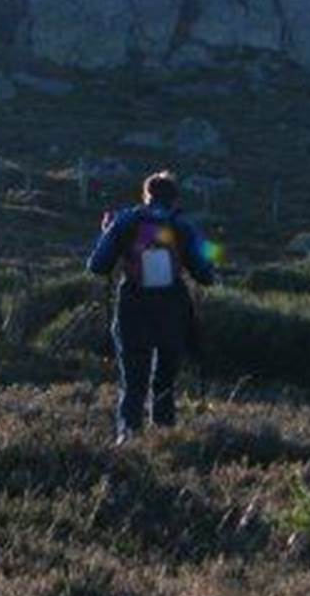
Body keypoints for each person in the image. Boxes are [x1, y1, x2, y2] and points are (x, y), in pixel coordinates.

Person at [86, 171, 216, 444]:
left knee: (133, 379)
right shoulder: (182, 226)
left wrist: (106, 232)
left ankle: (128, 436)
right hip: (173, 305)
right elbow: (206, 274)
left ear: (146, 196)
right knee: (165, 380)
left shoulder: (125, 221)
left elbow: (97, 266)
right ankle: (164, 436)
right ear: (175, 198)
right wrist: (211, 255)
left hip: (133, 303)